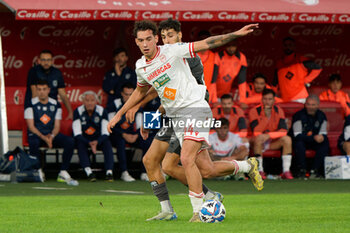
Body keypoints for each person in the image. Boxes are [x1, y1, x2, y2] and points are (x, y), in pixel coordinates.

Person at [107, 20, 263, 222]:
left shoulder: (177, 52)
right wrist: (121, 114)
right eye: (140, 40)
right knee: (201, 168)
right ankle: (244, 168)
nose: (145, 44)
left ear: (156, 39)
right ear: (136, 42)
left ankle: (198, 211)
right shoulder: (141, 66)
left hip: (195, 109)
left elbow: (209, 43)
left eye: (149, 39)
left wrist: (236, 33)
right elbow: (147, 90)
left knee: (186, 160)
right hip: (174, 116)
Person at [24, 79, 77, 185]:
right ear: (37, 90)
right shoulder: (30, 104)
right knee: (33, 142)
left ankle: (63, 171)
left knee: (70, 141)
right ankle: (38, 170)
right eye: (39, 89)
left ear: (48, 90)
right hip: (37, 134)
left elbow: (57, 126)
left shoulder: (56, 104)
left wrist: (51, 137)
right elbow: (31, 127)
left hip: (50, 134)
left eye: (44, 89)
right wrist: (45, 138)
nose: (42, 92)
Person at [249, 89, 293, 180]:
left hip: (272, 141)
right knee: (258, 137)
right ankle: (260, 170)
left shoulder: (278, 110)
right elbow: (256, 131)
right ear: (262, 99)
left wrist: (269, 135)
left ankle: (286, 171)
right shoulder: (254, 111)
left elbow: (283, 131)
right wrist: (265, 116)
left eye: (270, 99)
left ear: (274, 100)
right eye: (265, 99)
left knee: (287, 139)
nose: (267, 101)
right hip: (257, 142)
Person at [72, 91, 114, 182]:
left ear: (96, 101)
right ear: (83, 101)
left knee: (107, 143)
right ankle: (89, 172)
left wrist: (97, 142)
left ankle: (109, 172)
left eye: (92, 100)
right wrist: (89, 143)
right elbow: (77, 133)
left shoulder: (102, 111)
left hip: (99, 139)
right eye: (87, 100)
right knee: (80, 144)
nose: (90, 103)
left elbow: (105, 132)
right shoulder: (77, 111)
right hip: (84, 139)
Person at [107, 83, 144, 182]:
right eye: (126, 94)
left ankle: (144, 172)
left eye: (131, 95)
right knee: (120, 142)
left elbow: (140, 124)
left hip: (133, 135)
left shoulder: (137, 105)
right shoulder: (113, 105)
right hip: (118, 134)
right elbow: (111, 125)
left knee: (146, 140)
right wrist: (123, 134)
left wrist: (136, 134)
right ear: (122, 94)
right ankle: (124, 172)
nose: (128, 97)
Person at [24, 50, 73, 119]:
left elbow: (63, 94)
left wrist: (70, 112)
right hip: (35, 107)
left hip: (51, 108)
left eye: (48, 60)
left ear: (52, 61)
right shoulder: (33, 71)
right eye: (43, 60)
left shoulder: (57, 73)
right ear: (39, 61)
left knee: (54, 128)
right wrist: (37, 112)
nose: (46, 62)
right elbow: (34, 94)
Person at [272, 37, 322, 103]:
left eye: (290, 45)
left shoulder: (301, 60)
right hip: (284, 99)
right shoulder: (279, 63)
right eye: (285, 45)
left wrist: (306, 80)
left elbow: (318, 68)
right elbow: (275, 82)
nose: (287, 47)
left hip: (300, 98)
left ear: (294, 46)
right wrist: (273, 94)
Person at [290, 95, 329, 179]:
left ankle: (314, 171)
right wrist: (313, 137)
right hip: (301, 140)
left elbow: (323, 133)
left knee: (325, 143)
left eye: (313, 105)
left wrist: (322, 137)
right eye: (308, 104)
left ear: (318, 105)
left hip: (314, 141)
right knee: (299, 144)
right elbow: (297, 135)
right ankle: (302, 171)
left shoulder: (322, 115)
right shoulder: (298, 115)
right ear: (305, 105)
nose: (310, 107)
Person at [196, 30, 218, 106]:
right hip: (196, 90)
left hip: (210, 90)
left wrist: (213, 95)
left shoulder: (214, 56)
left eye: (206, 39)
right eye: (202, 39)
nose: (204, 42)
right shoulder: (193, 55)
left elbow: (215, 77)